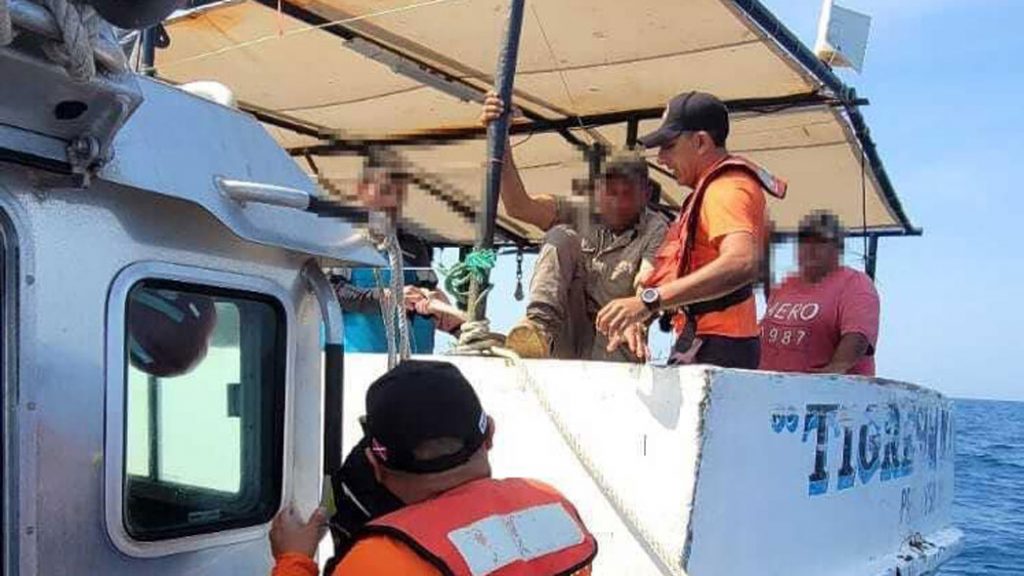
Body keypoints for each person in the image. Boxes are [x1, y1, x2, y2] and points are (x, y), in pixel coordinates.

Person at [270, 360, 598, 576]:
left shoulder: (379, 561)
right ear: (491, 435)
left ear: (375, 465)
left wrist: (293, 561)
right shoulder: (552, 506)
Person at [595, 91, 787, 368]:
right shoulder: (710, 191)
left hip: (721, 346)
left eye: (668, 146)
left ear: (700, 142)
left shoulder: (726, 189)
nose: (660, 158)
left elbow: (742, 261)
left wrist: (649, 301)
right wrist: (639, 312)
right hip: (704, 340)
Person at [480, 93, 668, 362]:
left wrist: (638, 315)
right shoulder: (578, 210)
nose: (617, 201)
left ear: (646, 193)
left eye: (627, 192)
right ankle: (538, 327)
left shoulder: (656, 229)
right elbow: (519, 207)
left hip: (615, 349)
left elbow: (647, 281)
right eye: (610, 191)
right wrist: (498, 139)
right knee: (560, 235)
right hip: (565, 344)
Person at [332, 160, 465, 353]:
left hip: (412, 362)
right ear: (362, 189)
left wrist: (439, 305)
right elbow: (330, 292)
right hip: (353, 362)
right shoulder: (338, 240)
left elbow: (427, 291)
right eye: (385, 190)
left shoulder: (415, 246)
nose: (392, 201)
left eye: (399, 193)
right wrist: (388, 297)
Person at [759, 211, 880, 376]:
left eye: (820, 241)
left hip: (822, 394)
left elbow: (857, 337)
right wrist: (765, 248)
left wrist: (831, 374)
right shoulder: (788, 282)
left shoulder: (856, 284)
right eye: (804, 240)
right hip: (770, 388)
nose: (810, 248)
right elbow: (772, 306)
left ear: (838, 248)